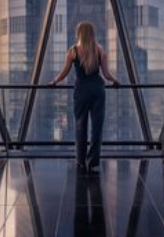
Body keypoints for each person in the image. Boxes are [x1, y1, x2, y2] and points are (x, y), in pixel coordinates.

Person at [49, 21, 120, 173]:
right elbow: (106, 75)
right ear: (92, 34)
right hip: (98, 91)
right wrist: (115, 81)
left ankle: (80, 161)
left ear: (79, 33)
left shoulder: (73, 51)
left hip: (81, 92)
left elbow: (64, 72)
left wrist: (54, 81)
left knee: (80, 126)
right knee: (97, 128)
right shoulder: (99, 50)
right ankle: (93, 162)